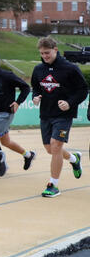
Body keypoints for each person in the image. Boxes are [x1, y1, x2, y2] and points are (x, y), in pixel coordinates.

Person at [31, 37, 86, 197]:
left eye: (47, 53)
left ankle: (53, 185)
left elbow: (83, 90)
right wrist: (36, 97)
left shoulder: (70, 68)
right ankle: (74, 158)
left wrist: (69, 103)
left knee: (56, 146)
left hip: (63, 114)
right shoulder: (38, 69)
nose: (45, 56)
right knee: (50, 149)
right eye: (42, 53)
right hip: (45, 113)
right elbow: (36, 88)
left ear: (55, 49)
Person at [0, 52, 35, 176]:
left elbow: (26, 87)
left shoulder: (7, 75)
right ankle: (28, 155)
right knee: (6, 142)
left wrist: (18, 102)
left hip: (5, 113)